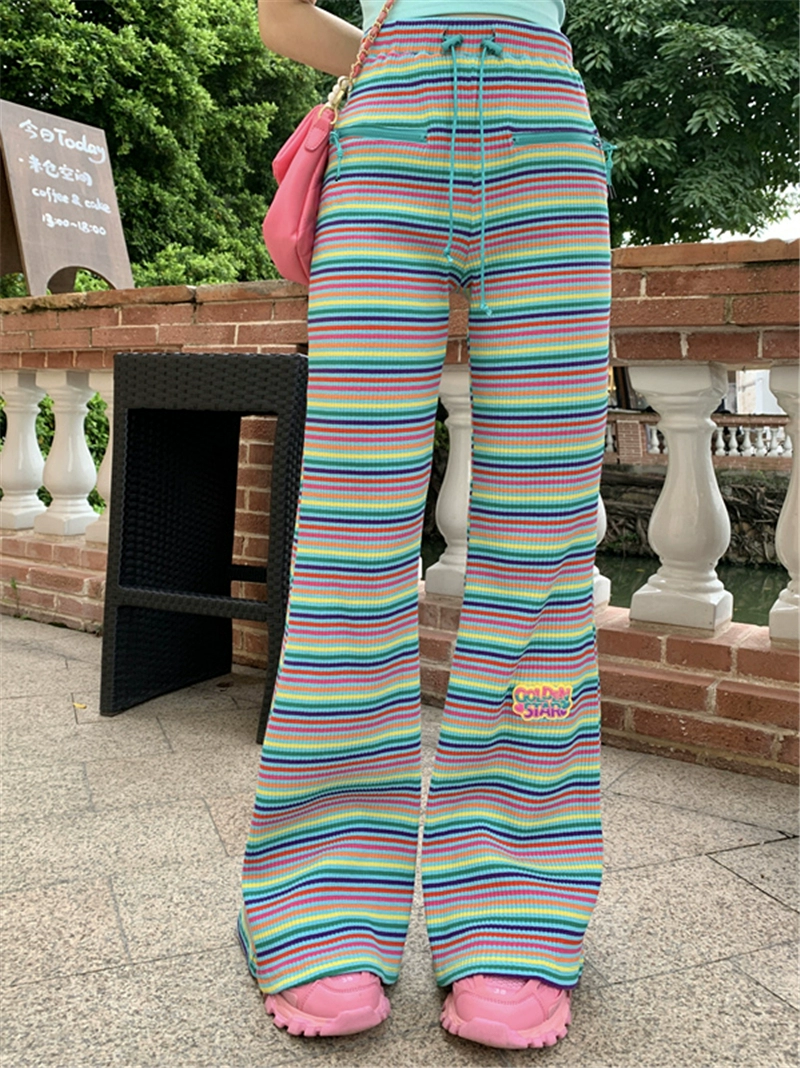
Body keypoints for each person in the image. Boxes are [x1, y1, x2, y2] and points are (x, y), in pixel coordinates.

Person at [239, 0, 611, 1050]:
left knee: (541, 543)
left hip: (545, 132)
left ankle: (514, 907)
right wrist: (385, 50)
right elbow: (278, 17)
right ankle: (320, 901)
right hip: (389, 125)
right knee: (348, 537)